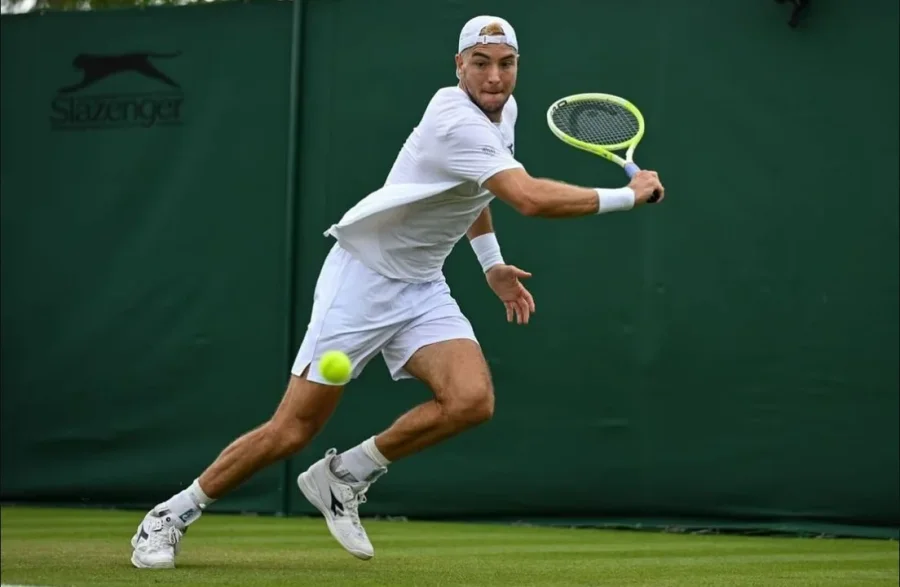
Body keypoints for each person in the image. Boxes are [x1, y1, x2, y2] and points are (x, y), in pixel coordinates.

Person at [129, 14, 665, 569]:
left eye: (506, 64)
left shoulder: (504, 113)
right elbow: (527, 197)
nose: (494, 77)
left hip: (422, 285)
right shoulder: (454, 120)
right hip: (362, 281)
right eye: (480, 63)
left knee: (470, 401)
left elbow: (474, 194)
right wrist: (628, 196)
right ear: (459, 65)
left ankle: (344, 475)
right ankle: (170, 514)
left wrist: (491, 265)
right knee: (292, 429)